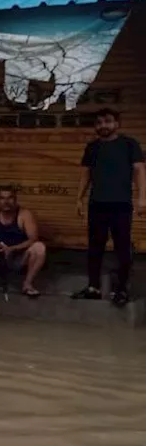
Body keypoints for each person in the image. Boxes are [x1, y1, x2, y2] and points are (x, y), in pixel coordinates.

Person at [73, 108, 146, 305]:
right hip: (97, 204)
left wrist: (142, 198)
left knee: (123, 248)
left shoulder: (129, 144)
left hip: (121, 204)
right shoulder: (92, 147)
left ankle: (122, 289)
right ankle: (93, 287)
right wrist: (79, 198)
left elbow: (139, 170)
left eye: (107, 121)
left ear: (117, 124)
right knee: (95, 247)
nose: (102, 126)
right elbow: (85, 173)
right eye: (98, 122)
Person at [0, 186, 47, 297]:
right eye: (2, 198)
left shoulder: (24, 214)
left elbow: (33, 239)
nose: (6, 202)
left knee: (39, 247)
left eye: (10, 198)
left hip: (19, 257)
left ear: (15, 200)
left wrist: (12, 249)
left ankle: (28, 285)